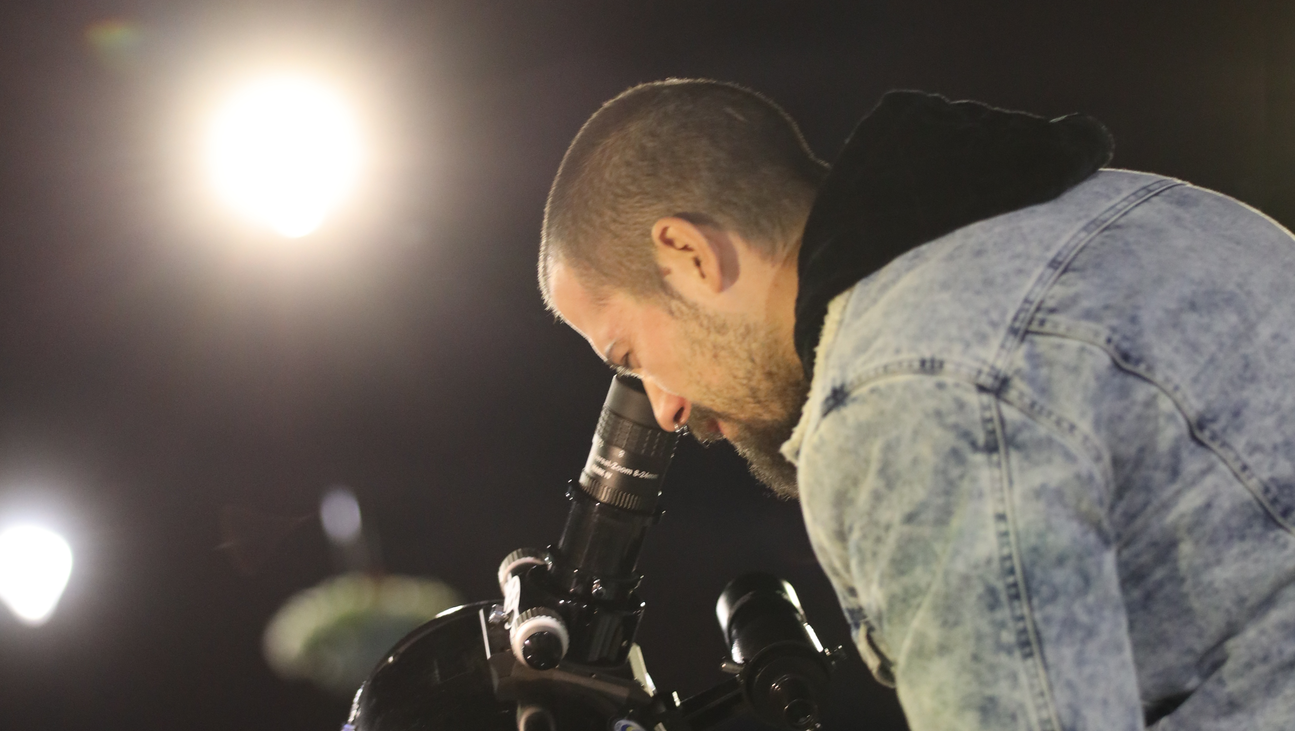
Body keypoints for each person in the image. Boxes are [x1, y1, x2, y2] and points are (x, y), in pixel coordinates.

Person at [537, 79, 1295, 730]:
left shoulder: (899, 403)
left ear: (689, 257)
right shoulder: (1129, 205)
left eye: (631, 357)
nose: (664, 409)